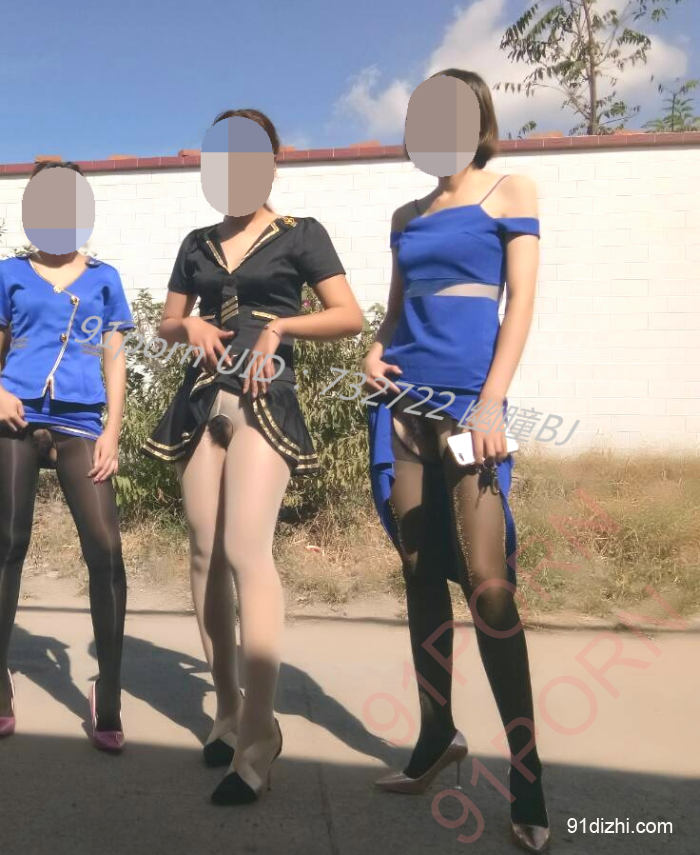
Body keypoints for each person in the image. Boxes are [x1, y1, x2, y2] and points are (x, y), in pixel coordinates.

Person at [143, 108, 363, 805]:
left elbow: (348, 314)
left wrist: (280, 327)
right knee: (203, 553)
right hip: (199, 402)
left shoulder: (300, 233)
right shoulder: (196, 243)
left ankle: (262, 732)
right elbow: (167, 323)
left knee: (246, 550)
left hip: (265, 402)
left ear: (272, 161)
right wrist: (189, 325)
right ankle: (228, 711)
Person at [363, 69, 550, 853]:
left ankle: (528, 778)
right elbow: (396, 309)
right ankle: (438, 732)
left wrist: (494, 400)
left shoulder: (511, 192)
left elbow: (520, 302)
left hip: (471, 407)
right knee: (418, 568)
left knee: (488, 585)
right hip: (402, 405)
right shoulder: (405, 215)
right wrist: (374, 351)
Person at [0, 160, 133, 752]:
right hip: (16, 415)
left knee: (105, 549)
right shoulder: (8, 273)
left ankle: (110, 690)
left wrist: (113, 431)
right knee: (8, 543)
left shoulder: (105, 277)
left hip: (81, 421)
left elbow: (115, 357)